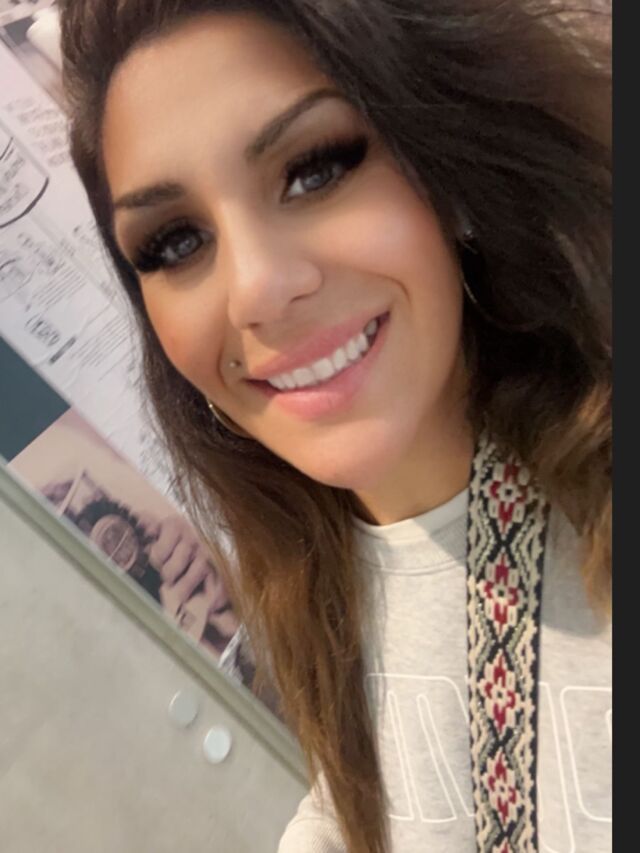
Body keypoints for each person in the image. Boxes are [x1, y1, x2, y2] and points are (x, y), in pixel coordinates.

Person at [58, 2, 611, 851]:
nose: (255, 289)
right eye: (175, 243)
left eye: (314, 170)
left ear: (445, 168)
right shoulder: (318, 603)